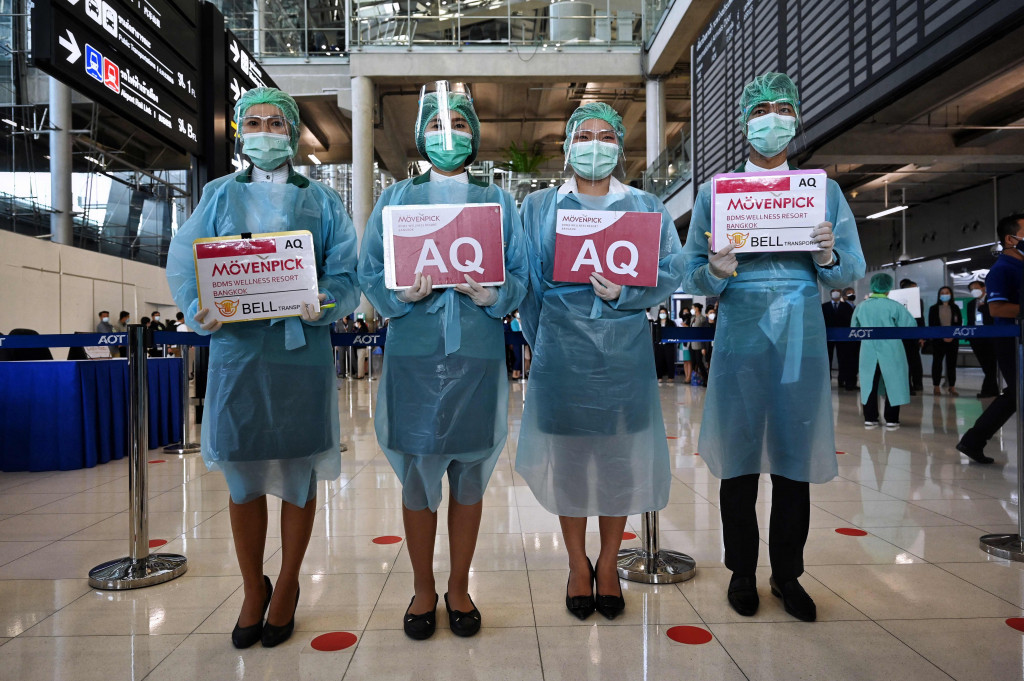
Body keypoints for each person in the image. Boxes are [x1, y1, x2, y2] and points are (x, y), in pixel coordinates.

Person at [165, 87, 360, 649]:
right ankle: (254, 586)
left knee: (298, 475)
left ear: (293, 131)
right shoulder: (219, 196)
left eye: (276, 122)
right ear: (239, 133)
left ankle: (289, 586)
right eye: (254, 121)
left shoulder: (322, 202)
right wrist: (199, 308)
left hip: (301, 353)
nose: (265, 130)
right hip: (238, 354)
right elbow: (186, 262)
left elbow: (346, 274)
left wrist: (325, 301)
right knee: (244, 476)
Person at [680, 72, 865, 623]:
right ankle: (741, 570)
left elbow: (853, 267)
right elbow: (690, 270)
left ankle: (787, 575)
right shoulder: (718, 194)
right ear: (745, 120)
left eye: (783, 107)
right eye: (761, 108)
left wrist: (828, 256)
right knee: (738, 462)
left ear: (796, 117)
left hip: (798, 342)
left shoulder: (822, 192)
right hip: (740, 336)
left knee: (792, 459)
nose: (772, 118)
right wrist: (714, 271)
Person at [358, 81, 528, 640]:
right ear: (419, 134)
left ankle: (458, 586)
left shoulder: (500, 203)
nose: (446, 136)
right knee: (417, 474)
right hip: (414, 354)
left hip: (477, 356)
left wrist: (495, 298)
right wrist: (396, 297)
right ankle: (423, 587)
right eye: (435, 125)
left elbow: (522, 273)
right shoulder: (397, 200)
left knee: (471, 473)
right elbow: (369, 270)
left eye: (457, 125)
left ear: (475, 135)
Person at [515, 101, 684, 622]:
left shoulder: (645, 206)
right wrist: (547, 343)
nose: (594, 144)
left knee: (617, 462)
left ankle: (608, 563)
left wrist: (628, 297)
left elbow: (672, 269)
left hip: (624, 358)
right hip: (560, 355)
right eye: (583, 135)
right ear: (568, 146)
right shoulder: (540, 207)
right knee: (568, 462)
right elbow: (527, 284)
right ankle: (575, 563)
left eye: (605, 135)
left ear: (620, 147)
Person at [957, 214, 1024, 464]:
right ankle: (973, 440)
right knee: (1017, 392)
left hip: (1019, 339)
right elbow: (997, 309)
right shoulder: (1002, 269)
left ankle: (973, 440)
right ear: (1010, 238)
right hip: (1011, 341)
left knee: (1015, 394)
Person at [852, 274, 916, 428]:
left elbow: (854, 328)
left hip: (868, 350)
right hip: (892, 349)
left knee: (869, 384)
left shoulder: (862, 306)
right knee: (893, 383)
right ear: (888, 289)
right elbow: (911, 326)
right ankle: (892, 419)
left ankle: (870, 418)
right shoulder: (894, 306)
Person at [966, 281, 999, 398]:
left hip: (990, 336)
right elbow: (970, 320)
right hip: (976, 337)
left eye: (976, 288)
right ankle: (992, 389)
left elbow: (994, 315)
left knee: (991, 363)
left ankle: (987, 390)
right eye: (971, 289)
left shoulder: (991, 300)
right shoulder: (971, 304)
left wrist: (983, 308)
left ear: (983, 288)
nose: (974, 290)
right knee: (985, 364)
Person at [927, 286, 962, 396]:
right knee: (937, 363)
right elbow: (932, 324)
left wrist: (952, 336)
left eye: (947, 292)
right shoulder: (933, 308)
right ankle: (936, 386)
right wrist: (941, 336)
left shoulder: (955, 308)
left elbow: (958, 323)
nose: (944, 294)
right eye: (942, 293)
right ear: (939, 295)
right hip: (938, 340)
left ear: (951, 295)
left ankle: (952, 386)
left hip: (953, 340)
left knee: (951, 363)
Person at [900, 279, 926, 394]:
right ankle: (907, 385)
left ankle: (917, 383)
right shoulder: (898, 300)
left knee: (915, 360)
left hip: (914, 335)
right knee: (905, 362)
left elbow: (921, 319)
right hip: (901, 336)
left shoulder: (918, 301)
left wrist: (922, 336)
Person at [653, 305, 677, 382]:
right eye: (661, 313)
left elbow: (674, 333)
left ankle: (671, 377)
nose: (662, 314)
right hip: (658, 345)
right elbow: (653, 334)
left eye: (664, 312)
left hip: (669, 345)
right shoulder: (656, 323)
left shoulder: (671, 323)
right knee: (658, 361)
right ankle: (659, 377)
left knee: (669, 361)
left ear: (667, 314)